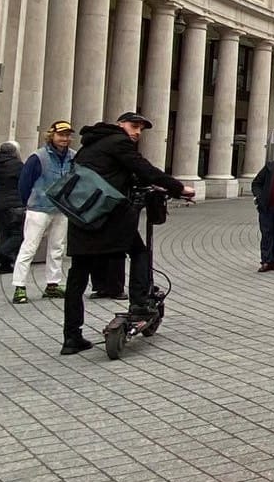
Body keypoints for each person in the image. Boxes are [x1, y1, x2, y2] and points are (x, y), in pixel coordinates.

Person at [61, 112, 192, 355]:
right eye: (134, 126)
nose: (137, 133)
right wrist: (179, 188)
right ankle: (140, 303)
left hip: (82, 217)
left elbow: (114, 174)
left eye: (141, 129)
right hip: (107, 218)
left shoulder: (90, 145)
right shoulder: (117, 141)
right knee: (140, 252)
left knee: (77, 278)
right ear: (120, 124)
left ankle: (71, 336)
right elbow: (144, 169)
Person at [11, 121, 75, 304]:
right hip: (39, 207)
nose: (64, 139)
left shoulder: (73, 157)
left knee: (57, 247)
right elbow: (24, 183)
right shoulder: (38, 157)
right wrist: (27, 203)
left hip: (61, 209)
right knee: (29, 247)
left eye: (67, 135)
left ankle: (52, 284)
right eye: (61, 135)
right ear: (51, 135)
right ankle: (19, 286)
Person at [0, 141, 25, 273]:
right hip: (13, 204)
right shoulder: (17, 165)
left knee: (3, 234)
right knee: (18, 234)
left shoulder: (0, 164)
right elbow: (24, 183)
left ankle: (4, 264)